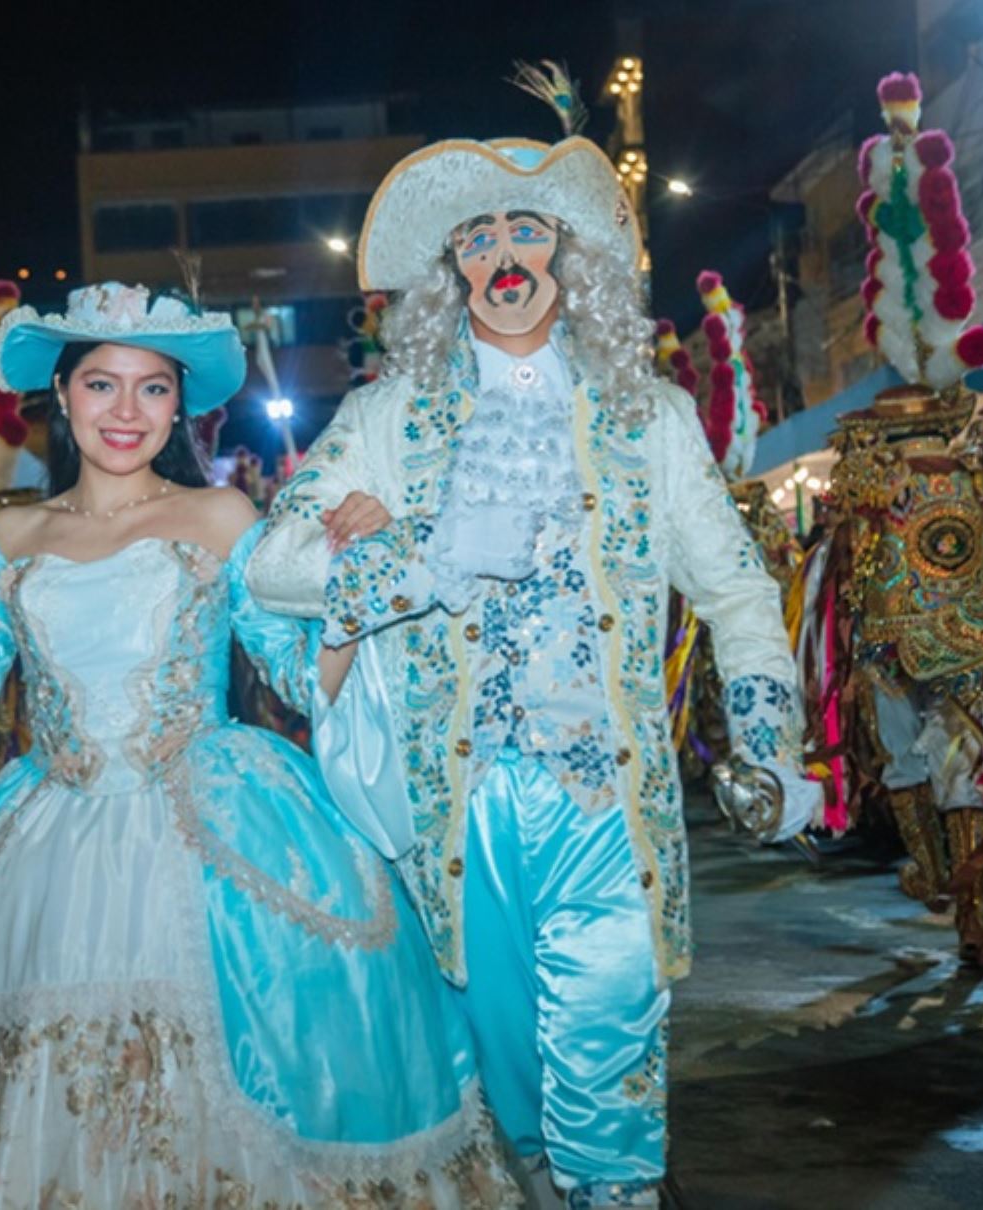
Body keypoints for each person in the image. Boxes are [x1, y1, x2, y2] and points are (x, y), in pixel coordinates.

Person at [0, 283, 519, 1206]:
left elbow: (305, 683)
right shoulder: (6, 536)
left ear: (180, 406)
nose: (127, 411)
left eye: (153, 390)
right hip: (47, 848)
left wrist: (361, 579)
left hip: (219, 819)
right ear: (62, 396)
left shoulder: (223, 518)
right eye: (103, 385)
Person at [247, 138, 820, 1207]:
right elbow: (273, 565)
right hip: (453, 817)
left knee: (606, 1067)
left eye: (525, 230)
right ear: (450, 269)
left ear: (571, 253)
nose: (503, 257)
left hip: (608, 802)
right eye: (477, 237)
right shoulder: (382, 421)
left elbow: (738, 591)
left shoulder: (647, 417)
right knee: (499, 1086)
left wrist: (768, 743)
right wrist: (403, 558)